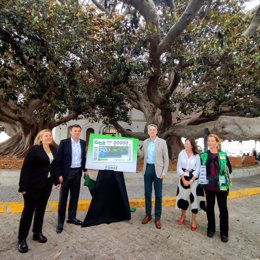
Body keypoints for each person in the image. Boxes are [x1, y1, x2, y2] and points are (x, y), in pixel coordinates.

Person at [18, 129, 61, 253]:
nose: (49, 137)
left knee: (41, 210)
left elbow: (54, 166)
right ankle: (22, 239)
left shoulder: (53, 149)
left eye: (50, 135)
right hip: (32, 186)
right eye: (46, 135)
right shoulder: (34, 150)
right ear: (40, 138)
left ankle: (37, 233)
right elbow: (25, 168)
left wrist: (57, 181)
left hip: (46, 185)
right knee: (28, 212)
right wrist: (23, 187)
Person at [200, 134, 232, 243]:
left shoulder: (223, 155)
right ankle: (211, 229)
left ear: (217, 142)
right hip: (209, 187)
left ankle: (224, 233)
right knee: (210, 208)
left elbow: (229, 170)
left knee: (223, 209)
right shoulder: (203, 155)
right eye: (208, 141)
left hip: (221, 187)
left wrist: (220, 176)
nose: (210, 143)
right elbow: (201, 170)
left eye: (212, 141)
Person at [56, 124, 87, 233]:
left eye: (79, 131)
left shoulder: (83, 143)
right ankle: (60, 222)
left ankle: (72, 218)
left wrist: (85, 170)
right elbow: (58, 160)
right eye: (75, 131)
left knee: (74, 197)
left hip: (77, 172)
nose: (77, 133)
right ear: (71, 132)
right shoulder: (64, 143)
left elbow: (83, 158)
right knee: (63, 198)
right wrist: (59, 174)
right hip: (66, 173)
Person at [141, 124, 169, 229]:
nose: (152, 131)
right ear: (148, 132)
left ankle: (157, 218)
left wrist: (164, 172)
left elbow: (166, 159)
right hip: (147, 169)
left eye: (154, 130)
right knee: (147, 193)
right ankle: (148, 215)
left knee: (158, 195)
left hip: (158, 170)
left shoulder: (162, 142)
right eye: (150, 130)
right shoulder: (145, 142)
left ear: (156, 131)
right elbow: (141, 155)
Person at [176, 138, 205, 231]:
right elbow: (179, 167)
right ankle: (183, 215)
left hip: (194, 179)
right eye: (185, 143)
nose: (185, 145)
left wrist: (192, 180)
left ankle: (193, 220)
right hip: (183, 177)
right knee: (183, 198)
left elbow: (198, 169)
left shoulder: (196, 156)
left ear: (192, 146)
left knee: (194, 200)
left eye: (188, 144)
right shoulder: (181, 153)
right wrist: (183, 179)